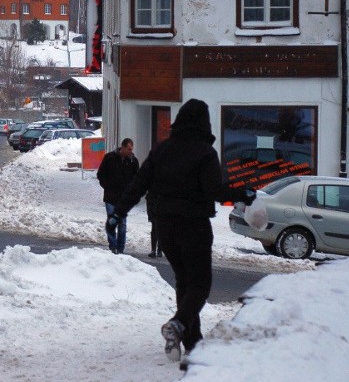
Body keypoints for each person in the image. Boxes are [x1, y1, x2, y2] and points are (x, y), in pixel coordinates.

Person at [105, 99, 256, 364]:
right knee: (199, 284)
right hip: (194, 225)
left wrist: (118, 212)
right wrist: (243, 192)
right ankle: (177, 324)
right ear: (204, 123)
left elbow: (139, 184)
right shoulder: (204, 153)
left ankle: (192, 343)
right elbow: (214, 191)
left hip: (164, 226)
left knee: (185, 282)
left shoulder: (161, 150)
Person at [96, 137, 138, 254]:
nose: (130, 152)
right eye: (129, 149)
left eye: (132, 149)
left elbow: (137, 178)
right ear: (122, 147)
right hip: (110, 196)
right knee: (112, 221)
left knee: (122, 224)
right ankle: (113, 246)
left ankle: (120, 248)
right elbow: (100, 174)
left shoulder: (133, 162)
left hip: (123, 199)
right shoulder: (110, 158)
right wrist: (107, 186)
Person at [146, 190, 162, 258]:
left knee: (160, 231)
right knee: (155, 231)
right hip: (154, 211)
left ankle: (159, 250)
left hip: (162, 211)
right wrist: (150, 215)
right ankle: (154, 250)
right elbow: (149, 202)